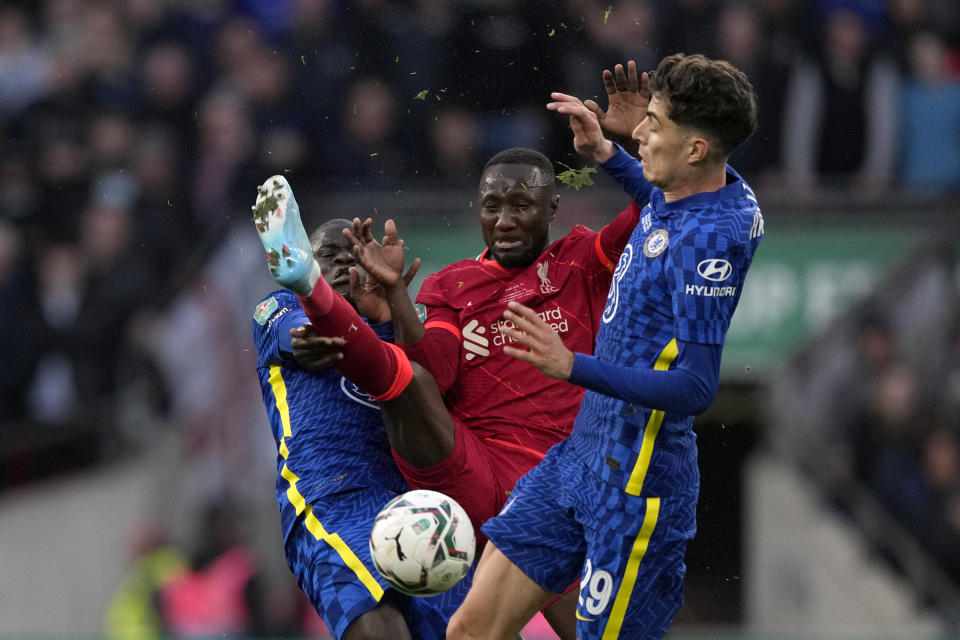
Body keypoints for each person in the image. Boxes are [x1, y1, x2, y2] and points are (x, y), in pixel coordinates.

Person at [251, 82, 653, 634]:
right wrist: (332, 307)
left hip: (513, 494)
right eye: (493, 206)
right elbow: (418, 369)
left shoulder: (582, 257)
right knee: (411, 381)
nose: (506, 220)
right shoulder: (438, 287)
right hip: (389, 487)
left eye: (521, 205)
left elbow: (656, 214)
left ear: (551, 209)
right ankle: (308, 282)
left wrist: (627, 147)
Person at [446, 53, 764, 640]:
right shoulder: (696, 189)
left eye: (655, 123)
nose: (639, 128)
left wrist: (571, 365)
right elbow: (664, 203)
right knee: (470, 631)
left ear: (695, 149)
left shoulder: (707, 245)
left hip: (638, 486)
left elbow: (695, 387)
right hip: (579, 456)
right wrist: (608, 154)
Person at [252, 217, 469, 640]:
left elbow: (432, 380)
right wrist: (315, 324)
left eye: (352, 258)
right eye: (326, 258)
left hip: (415, 505)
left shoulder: (393, 322)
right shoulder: (278, 307)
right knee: (380, 628)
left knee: (483, 627)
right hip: (331, 499)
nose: (340, 266)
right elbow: (303, 339)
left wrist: (394, 300)